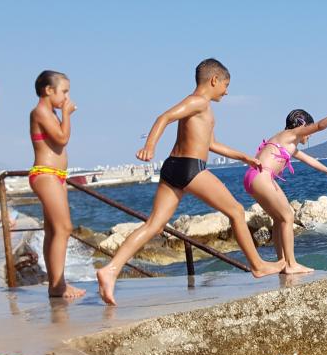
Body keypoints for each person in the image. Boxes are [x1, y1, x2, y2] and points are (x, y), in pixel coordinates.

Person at [97, 58, 284, 305]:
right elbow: (164, 117)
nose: (227, 92)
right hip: (189, 167)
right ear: (214, 80)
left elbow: (212, 144)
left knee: (154, 225)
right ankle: (258, 265)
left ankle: (110, 270)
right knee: (237, 211)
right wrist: (149, 146)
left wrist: (244, 157)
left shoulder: (204, 108)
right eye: (226, 85)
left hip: (174, 167)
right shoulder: (198, 101)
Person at [243, 102, 327, 274]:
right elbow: (320, 126)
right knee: (288, 216)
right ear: (302, 125)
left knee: (280, 218)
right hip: (262, 176)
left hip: (255, 177)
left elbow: (309, 160)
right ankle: (291, 264)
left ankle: (282, 262)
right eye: (308, 130)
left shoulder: (287, 142)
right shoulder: (291, 134)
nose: (309, 135)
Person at [29, 70, 84, 298]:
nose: (67, 97)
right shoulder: (40, 112)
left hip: (56, 175)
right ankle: (59, 284)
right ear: (48, 90)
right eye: (64, 91)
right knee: (64, 228)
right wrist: (67, 114)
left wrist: (62, 113)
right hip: (46, 174)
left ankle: (55, 284)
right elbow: (62, 138)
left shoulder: (50, 112)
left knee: (53, 230)